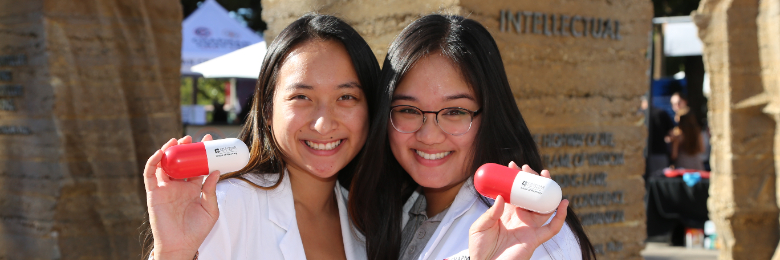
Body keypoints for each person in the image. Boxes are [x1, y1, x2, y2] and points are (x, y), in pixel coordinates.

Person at [348, 14, 595, 260]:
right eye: (409, 111)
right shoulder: (389, 212)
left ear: (489, 115)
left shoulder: (531, 235)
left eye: (455, 112)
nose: (429, 136)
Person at [143, 14, 380, 259]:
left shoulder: (376, 223)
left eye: (346, 97)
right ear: (267, 110)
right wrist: (173, 252)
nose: (323, 124)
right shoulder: (223, 206)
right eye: (301, 97)